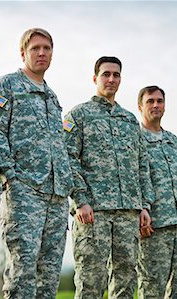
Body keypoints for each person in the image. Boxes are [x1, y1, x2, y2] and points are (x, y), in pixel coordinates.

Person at [0, 28, 73, 299]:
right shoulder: (7, 86)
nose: (42, 53)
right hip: (24, 195)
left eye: (47, 48)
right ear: (23, 53)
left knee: (48, 277)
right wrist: (9, 176)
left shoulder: (52, 97)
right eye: (35, 48)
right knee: (22, 272)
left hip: (56, 197)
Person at [64, 56, 153, 298]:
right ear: (95, 78)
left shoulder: (129, 120)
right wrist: (80, 200)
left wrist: (144, 206)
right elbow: (68, 159)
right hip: (94, 213)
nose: (111, 79)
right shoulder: (78, 115)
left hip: (128, 213)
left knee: (126, 280)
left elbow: (141, 164)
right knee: (92, 280)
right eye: (106, 74)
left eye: (116, 75)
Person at [136, 85, 177, 299]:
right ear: (140, 106)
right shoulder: (136, 140)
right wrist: (141, 213)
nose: (156, 105)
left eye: (159, 101)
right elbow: (133, 179)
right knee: (153, 288)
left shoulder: (173, 140)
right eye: (150, 101)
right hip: (154, 227)